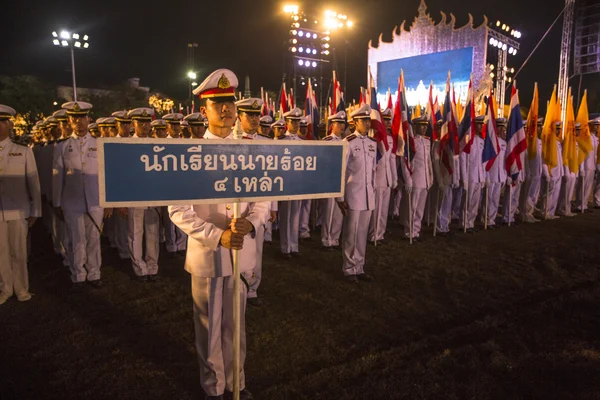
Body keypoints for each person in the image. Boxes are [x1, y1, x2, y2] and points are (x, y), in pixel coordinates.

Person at [169, 69, 269, 400]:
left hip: (240, 250)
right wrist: (217, 236)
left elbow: (264, 197)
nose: (225, 110)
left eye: (229, 103)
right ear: (204, 111)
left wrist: (251, 222)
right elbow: (178, 211)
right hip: (208, 253)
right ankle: (214, 387)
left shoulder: (250, 150)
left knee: (236, 326)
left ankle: (237, 383)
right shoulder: (189, 153)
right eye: (217, 104)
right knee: (209, 327)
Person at [52, 101, 104, 287]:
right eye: (75, 119)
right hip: (71, 201)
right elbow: (57, 176)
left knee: (93, 238)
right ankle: (78, 274)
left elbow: (105, 174)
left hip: (95, 200)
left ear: (88, 119)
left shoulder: (99, 144)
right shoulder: (62, 146)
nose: (79, 122)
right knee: (76, 239)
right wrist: (57, 202)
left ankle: (94, 272)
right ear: (69, 121)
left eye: (82, 118)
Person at [235, 97, 277, 307]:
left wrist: (273, 206)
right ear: (239, 117)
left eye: (256, 115)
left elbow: (273, 178)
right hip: (236, 205)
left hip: (259, 206)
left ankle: (252, 289)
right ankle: (237, 286)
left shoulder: (266, 143)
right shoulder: (230, 142)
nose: (254, 119)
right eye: (249, 115)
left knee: (258, 247)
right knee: (238, 247)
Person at [0, 105, 41, 305]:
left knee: (19, 252)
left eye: (2, 121)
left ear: (9, 124)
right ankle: (5, 288)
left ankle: (22, 288)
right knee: (1, 253)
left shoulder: (22, 151)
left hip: (18, 209)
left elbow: (33, 183)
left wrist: (35, 209)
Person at [337, 104, 376, 283]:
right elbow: (342, 171)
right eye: (364, 121)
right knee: (351, 233)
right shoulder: (348, 142)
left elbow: (373, 171)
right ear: (355, 122)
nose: (367, 124)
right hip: (353, 193)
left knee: (362, 233)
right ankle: (348, 268)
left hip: (368, 195)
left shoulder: (372, 143)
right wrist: (340, 196)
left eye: (368, 120)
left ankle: (359, 266)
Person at [127, 107, 161, 282]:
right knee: (135, 232)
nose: (144, 125)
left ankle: (152, 266)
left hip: (153, 196)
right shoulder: (126, 145)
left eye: (147, 122)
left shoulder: (157, 144)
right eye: (140, 122)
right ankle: (139, 268)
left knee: (152, 232)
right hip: (134, 195)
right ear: (133, 124)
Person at [400, 115, 433, 240]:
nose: (424, 128)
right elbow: (406, 162)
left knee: (420, 208)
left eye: (425, 126)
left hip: (424, 179)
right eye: (421, 126)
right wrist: (408, 179)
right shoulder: (411, 141)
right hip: (415, 178)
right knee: (412, 207)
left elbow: (428, 161)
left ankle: (416, 231)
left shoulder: (427, 141)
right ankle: (409, 231)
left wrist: (430, 177)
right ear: (415, 126)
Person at [369, 108, 397, 245]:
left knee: (384, 209)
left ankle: (380, 234)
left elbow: (391, 159)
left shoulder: (389, 139)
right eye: (384, 120)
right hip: (377, 178)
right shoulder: (374, 138)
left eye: (388, 121)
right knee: (377, 209)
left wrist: (394, 178)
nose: (387, 123)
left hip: (387, 178)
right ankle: (373, 235)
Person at [278, 108, 303, 258]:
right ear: (287, 123)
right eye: (292, 122)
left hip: (297, 182)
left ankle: (294, 245)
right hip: (285, 182)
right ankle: (285, 247)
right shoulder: (281, 141)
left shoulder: (302, 142)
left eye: (297, 122)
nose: (295, 125)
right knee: (286, 215)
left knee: (295, 215)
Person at [320, 111, 346, 251]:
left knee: (338, 213)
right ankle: (326, 239)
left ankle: (335, 239)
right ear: (332, 125)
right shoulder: (326, 141)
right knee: (329, 212)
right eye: (338, 124)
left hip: (341, 181)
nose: (341, 127)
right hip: (330, 181)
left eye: (343, 124)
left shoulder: (345, 141)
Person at [460, 115, 485, 233]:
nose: (481, 127)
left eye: (482, 124)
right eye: (479, 124)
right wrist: (464, 178)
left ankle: (471, 223)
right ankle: (464, 223)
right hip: (470, 175)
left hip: (478, 176)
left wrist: (483, 176)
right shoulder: (468, 140)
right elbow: (463, 159)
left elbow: (482, 161)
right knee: (467, 201)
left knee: (475, 203)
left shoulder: (481, 141)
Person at [484, 118, 507, 228]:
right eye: (500, 127)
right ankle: (485, 219)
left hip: (499, 175)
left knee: (495, 199)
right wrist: (486, 174)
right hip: (491, 174)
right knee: (488, 199)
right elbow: (486, 161)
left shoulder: (503, 143)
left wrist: (505, 175)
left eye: (503, 127)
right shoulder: (489, 142)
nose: (502, 130)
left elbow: (504, 161)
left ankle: (491, 220)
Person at [521, 118, 544, 222]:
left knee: (535, 193)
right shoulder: (527, 141)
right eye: (538, 127)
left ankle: (531, 212)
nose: (540, 129)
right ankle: (526, 213)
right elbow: (526, 158)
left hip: (537, 172)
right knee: (528, 194)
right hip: (530, 172)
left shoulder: (539, 141)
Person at [540, 122, 564, 219]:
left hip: (558, 171)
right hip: (551, 171)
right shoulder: (548, 142)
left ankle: (551, 212)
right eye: (556, 129)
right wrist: (546, 173)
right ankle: (545, 211)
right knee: (548, 193)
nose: (558, 131)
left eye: (559, 129)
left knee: (555, 193)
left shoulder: (558, 142)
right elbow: (544, 158)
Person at [575, 118, 599, 212]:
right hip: (585, 165)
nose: (597, 127)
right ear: (590, 125)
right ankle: (579, 205)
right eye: (595, 125)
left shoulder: (594, 137)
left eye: (598, 126)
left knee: (588, 186)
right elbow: (582, 153)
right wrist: (581, 167)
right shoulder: (586, 137)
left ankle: (584, 204)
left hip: (592, 165)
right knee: (583, 186)